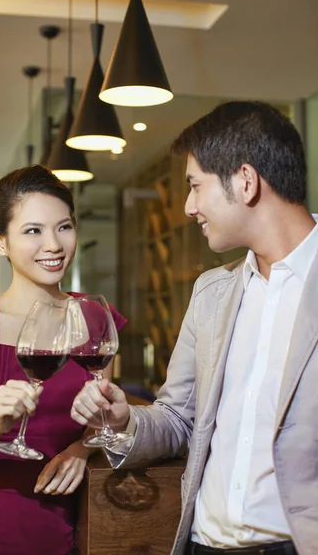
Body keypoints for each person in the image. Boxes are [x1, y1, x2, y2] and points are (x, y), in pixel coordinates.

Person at [71, 101, 317, 555]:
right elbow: (178, 418)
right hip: (203, 543)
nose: (187, 207)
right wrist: (125, 420)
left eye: (194, 186)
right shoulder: (211, 293)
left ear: (245, 181)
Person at [0, 165, 126, 555]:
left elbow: (101, 424)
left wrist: (80, 451)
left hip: (65, 521)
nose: (53, 244)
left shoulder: (97, 320)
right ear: (0, 241)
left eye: (64, 227)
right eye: (33, 230)